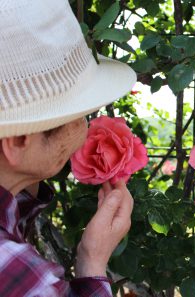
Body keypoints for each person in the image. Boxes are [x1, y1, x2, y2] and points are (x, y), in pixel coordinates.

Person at [0, 0, 136, 296]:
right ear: (19, 141)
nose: (87, 126)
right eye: (77, 114)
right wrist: (93, 262)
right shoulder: (20, 275)